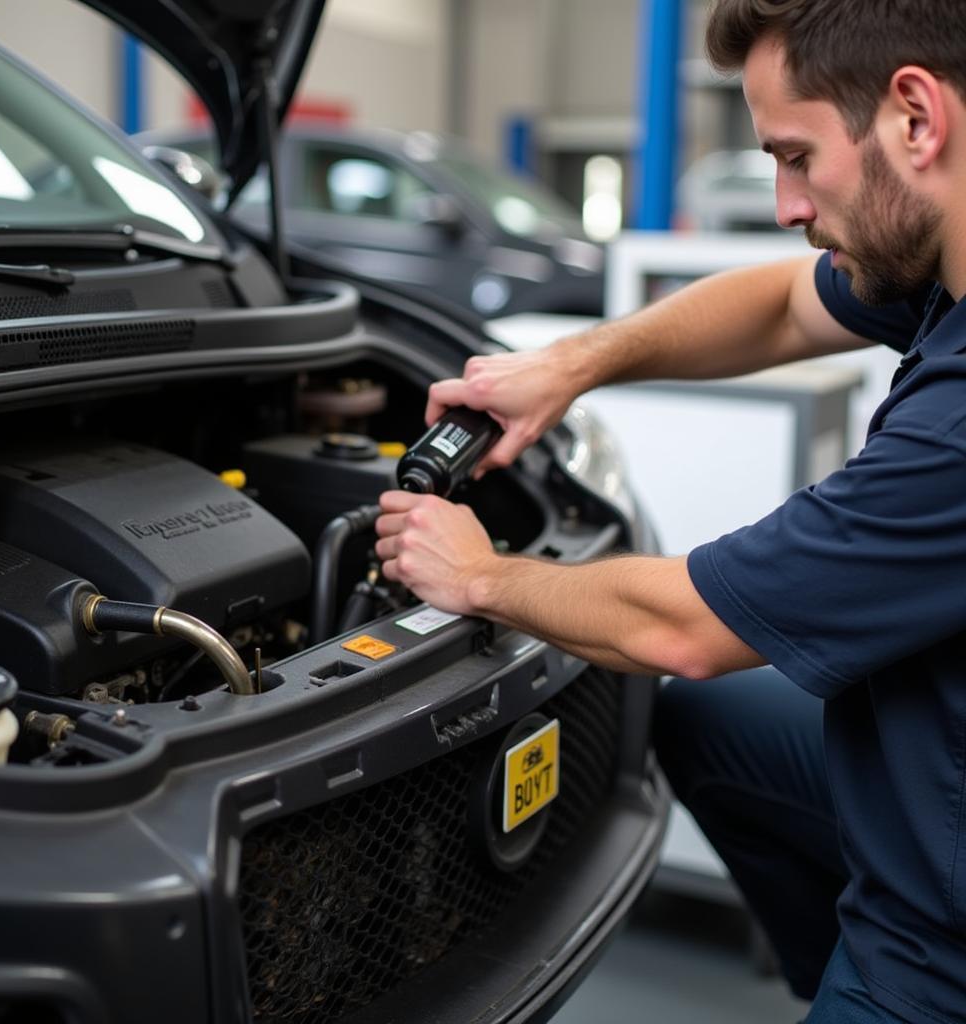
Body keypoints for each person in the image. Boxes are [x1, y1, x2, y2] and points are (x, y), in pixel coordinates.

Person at [373, 1, 966, 1021]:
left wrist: (474, 574)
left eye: (794, 155)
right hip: (917, 767)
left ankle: (882, 985)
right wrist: (567, 365)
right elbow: (783, 305)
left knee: (688, 676)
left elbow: (683, 628)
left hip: (945, 911)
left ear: (915, 116)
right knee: (705, 723)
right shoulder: (939, 266)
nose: (785, 203)